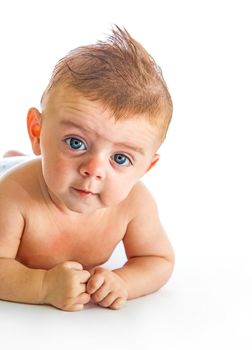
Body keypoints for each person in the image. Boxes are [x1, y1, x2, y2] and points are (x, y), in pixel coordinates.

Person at [0, 26, 174, 311]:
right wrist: (42, 286)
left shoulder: (135, 204)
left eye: (120, 159)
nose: (93, 170)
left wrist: (124, 282)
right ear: (37, 132)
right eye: (75, 142)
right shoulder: (13, 197)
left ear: (145, 167)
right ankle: (13, 158)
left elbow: (158, 260)